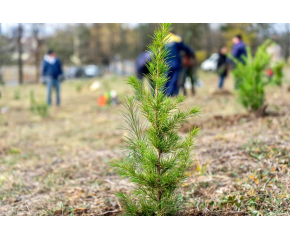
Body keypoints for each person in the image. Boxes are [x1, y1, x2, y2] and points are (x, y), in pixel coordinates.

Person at [165, 32, 195, 96]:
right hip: (175, 63)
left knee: (166, 79)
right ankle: (170, 94)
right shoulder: (176, 39)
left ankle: (164, 94)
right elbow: (185, 48)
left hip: (166, 64)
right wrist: (192, 53)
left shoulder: (164, 40)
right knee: (174, 79)